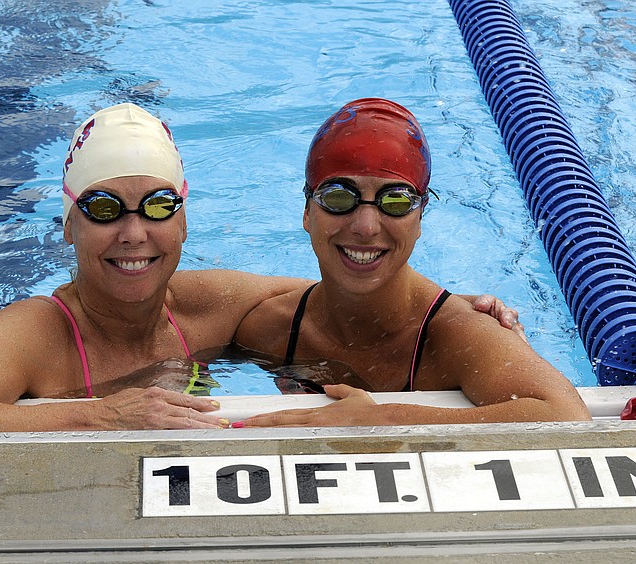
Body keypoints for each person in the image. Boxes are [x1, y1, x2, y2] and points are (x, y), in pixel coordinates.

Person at [0, 103, 526, 434]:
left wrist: (443, 306)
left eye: (158, 206)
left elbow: (341, 288)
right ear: (70, 224)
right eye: (105, 208)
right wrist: (100, 417)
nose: (134, 234)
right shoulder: (39, 331)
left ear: (184, 221)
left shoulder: (208, 309)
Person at [233, 98, 590, 426]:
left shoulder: (456, 335)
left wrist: (383, 420)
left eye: (396, 201)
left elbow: (568, 417)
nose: (365, 227)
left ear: (420, 217)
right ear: (308, 211)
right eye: (339, 197)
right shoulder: (270, 328)